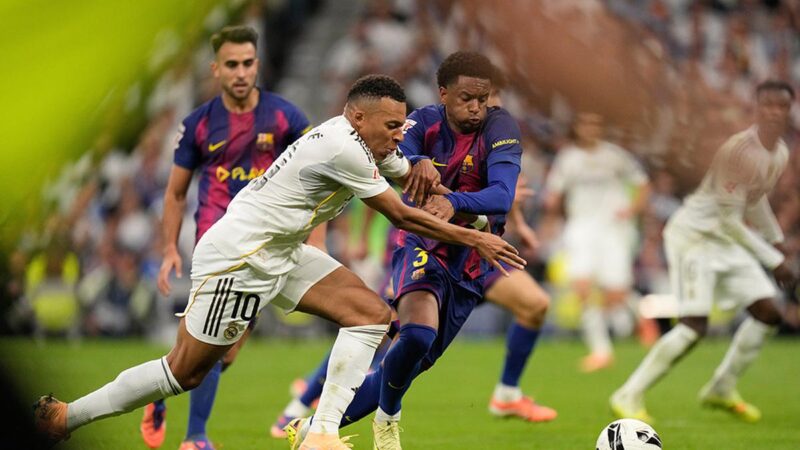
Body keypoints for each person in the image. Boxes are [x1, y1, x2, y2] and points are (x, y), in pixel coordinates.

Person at [33, 74, 525, 450]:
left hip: (282, 250)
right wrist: (475, 238)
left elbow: (415, 180)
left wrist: (446, 187)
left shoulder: (369, 144)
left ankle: (321, 433)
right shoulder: (343, 149)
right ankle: (67, 417)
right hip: (240, 259)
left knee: (371, 315)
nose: (401, 135)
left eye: (403, 126)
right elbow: (402, 214)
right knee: (185, 372)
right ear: (359, 118)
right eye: (393, 126)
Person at [270, 62, 556, 439]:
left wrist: (486, 213)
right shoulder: (422, 123)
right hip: (423, 243)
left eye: (485, 99)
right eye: (469, 98)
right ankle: (330, 408)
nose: (479, 107)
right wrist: (417, 161)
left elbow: (503, 194)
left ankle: (312, 426)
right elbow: (388, 164)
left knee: (411, 354)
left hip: (477, 255)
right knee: (395, 330)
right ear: (445, 94)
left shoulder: (500, 129)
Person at [136, 25, 312, 450]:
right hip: (217, 244)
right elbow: (175, 193)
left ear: (258, 64)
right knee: (215, 344)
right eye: (231, 64)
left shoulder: (286, 117)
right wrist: (169, 248)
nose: (241, 72)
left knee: (222, 353)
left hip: (267, 245)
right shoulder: (197, 124)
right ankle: (195, 437)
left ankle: (157, 390)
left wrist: (318, 239)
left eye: (247, 63)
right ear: (216, 69)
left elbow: (314, 176)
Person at [610, 80, 796, 424]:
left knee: (769, 313)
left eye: (781, 106)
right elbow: (730, 220)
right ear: (756, 108)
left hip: (725, 240)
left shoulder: (779, 153)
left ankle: (722, 387)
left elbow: (753, 201)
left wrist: (775, 238)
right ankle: (628, 393)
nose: (774, 111)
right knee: (694, 326)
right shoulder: (737, 152)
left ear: (790, 110)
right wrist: (774, 260)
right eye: (767, 104)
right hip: (694, 238)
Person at [544, 112, 651, 372]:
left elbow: (643, 184)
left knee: (615, 293)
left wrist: (632, 209)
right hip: (581, 227)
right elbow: (554, 194)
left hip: (613, 229)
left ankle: (640, 314)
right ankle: (601, 351)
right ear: (577, 127)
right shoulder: (568, 158)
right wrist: (550, 218)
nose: (591, 128)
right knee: (581, 287)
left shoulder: (615, 156)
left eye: (596, 123)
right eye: (586, 123)